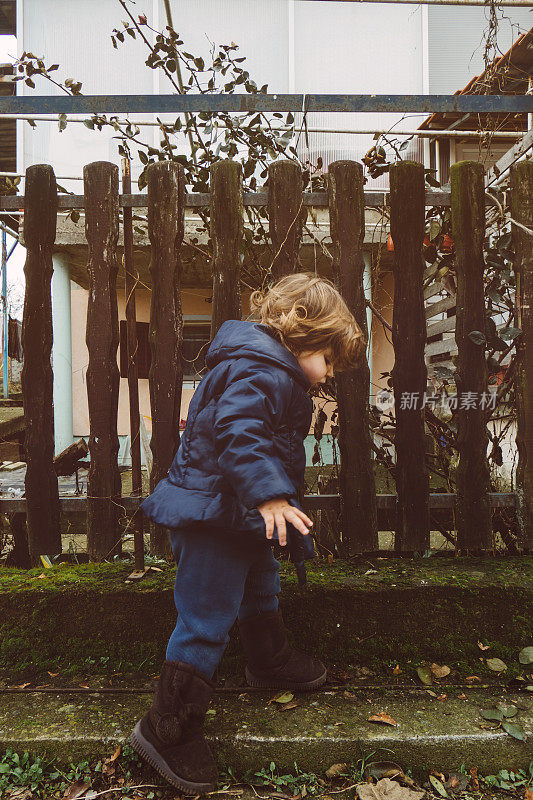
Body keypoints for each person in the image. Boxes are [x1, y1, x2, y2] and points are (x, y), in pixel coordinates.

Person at [131, 272, 366, 794]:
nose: (327, 375)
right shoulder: (261, 372)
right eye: (327, 358)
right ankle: (166, 727)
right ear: (301, 332)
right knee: (206, 615)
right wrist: (271, 496)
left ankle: (268, 658)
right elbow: (239, 431)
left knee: (262, 577)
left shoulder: (268, 369)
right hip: (214, 517)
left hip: (236, 512)